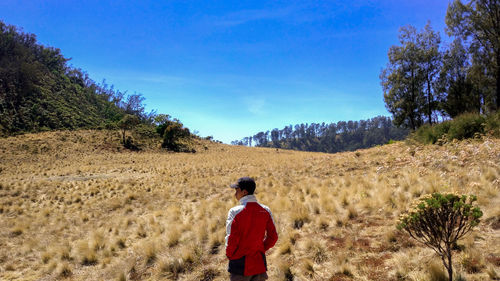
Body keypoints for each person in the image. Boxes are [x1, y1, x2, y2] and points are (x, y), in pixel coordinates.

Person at [225, 177, 278, 281]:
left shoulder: (234, 212)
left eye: (237, 190)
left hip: (239, 265)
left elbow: (231, 238)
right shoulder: (265, 210)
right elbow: (273, 237)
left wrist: (230, 255)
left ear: (244, 192)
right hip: (259, 262)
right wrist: (261, 249)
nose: (235, 193)